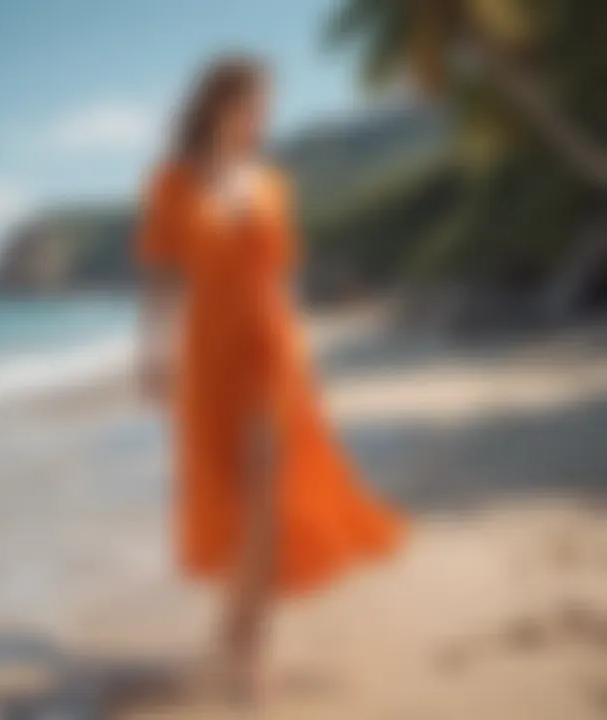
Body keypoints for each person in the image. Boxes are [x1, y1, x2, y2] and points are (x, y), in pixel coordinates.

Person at [135, 54, 405, 702]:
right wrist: (153, 352)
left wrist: (307, 358)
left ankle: (246, 649)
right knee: (230, 496)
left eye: (265, 108)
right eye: (250, 105)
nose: (260, 119)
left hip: (271, 354)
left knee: (264, 497)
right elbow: (162, 278)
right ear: (214, 105)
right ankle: (233, 632)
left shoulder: (273, 183)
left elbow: (285, 283)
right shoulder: (173, 183)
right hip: (209, 355)